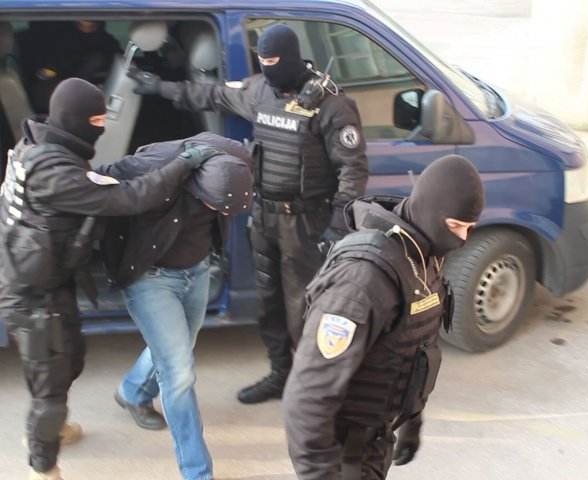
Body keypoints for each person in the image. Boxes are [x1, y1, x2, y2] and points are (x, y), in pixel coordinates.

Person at [127, 23, 369, 404]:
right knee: (268, 302)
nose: (269, 70)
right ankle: (280, 375)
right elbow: (211, 95)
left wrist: (338, 226)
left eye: (275, 63)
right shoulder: (259, 90)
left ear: (291, 58)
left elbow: (352, 170)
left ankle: (315, 389)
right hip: (263, 217)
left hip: (307, 223)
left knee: (306, 307)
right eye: (264, 62)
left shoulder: (331, 105)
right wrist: (159, 87)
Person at [0, 77, 223, 480]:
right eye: (97, 121)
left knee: (66, 363)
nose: (102, 127)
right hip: (31, 292)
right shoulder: (55, 174)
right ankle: (43, 465)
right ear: (74, 120)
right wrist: (182, 164)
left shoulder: (34, 145)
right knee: (50, 384)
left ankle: (50, 431)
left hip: (43, 277)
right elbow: (127, 198)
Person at [283, 154, 486, 479]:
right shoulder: (362, 280)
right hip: (342, 454)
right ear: (429, 210)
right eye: (455, 226)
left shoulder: (424, 253)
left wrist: (411, 420)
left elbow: (417, 344)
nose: (462, 239)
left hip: (377, 436)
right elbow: (307, 398)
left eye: (469, 228)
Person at [97, 132, 253, 480]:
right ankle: (198, 472)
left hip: (198, 270)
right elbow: (100, 177)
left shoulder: (237, 162)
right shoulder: (156, 164)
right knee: (179, 372)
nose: (223, 214)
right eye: (218, 207)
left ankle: (133, 391)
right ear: (200, 186)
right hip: (150, 277)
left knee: (178, 348)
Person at [15, 21, 121, 113]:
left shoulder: (107, 45)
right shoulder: (44, 48)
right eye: (81, 25)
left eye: (93, 26)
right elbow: (44, 81)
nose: (88, 29)